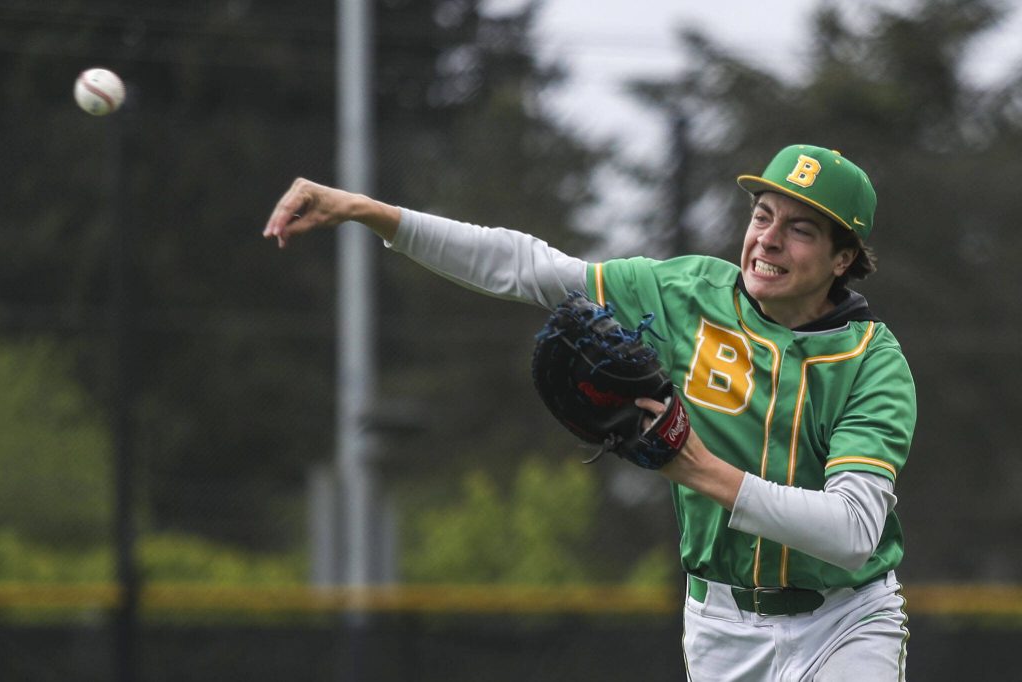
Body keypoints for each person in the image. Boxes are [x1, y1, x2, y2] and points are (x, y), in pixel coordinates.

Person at [264, 144, 916, 681]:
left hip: (844, 622)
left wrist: (696, 469)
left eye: (799, 229)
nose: (768, 240)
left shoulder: (872, 363)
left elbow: (853, 529)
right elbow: (527, 268)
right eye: (763, 215)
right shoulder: (684, 294)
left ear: (843, 259)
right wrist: (368, 212)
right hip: (721, 625)